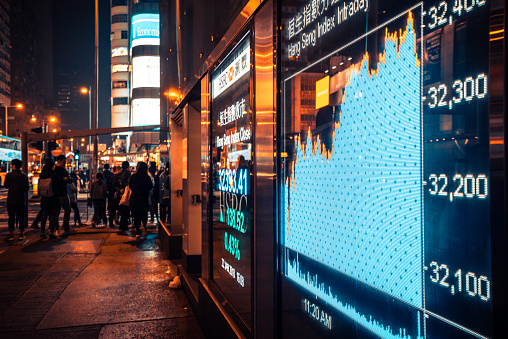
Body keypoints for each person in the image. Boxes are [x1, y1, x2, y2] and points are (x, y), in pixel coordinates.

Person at [4, 159, 29, 241]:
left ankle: (11, 234)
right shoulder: (24, 176)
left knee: (11, 217)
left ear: (14, 166)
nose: (11, 166)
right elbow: (26, 188)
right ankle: (21, 234)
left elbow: (6, 186)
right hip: (21, 199)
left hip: (11, 199)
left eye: (11, 165)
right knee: (21, 217)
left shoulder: (8, 175)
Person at [129, 161, 153, 238]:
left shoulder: (133, 176)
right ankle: (144, 226)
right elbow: (150, 186)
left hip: (135, 197)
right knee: (144, 213)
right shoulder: (147, 177)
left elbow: (130, 186)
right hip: (144, 198)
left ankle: (137, 230)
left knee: (136, 215)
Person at [39, 158, 60, 239]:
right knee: (52, 215)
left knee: (44, 215)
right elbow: (58, 186)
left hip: (44, 197)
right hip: (53, 197)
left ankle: (42, 232)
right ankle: (51, 232)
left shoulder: (42, 174)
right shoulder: (54, 175)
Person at [55, 154, 73, 235]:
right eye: (63, 162)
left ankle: (65, 226)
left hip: (64, 193)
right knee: (57, 212)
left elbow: (69, 180)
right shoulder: (56, 170)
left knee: (68, 210)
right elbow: (56, 180)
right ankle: (56, 228)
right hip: (58, 194)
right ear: (59, 161)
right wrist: (63, 179)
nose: (65, 164)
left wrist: (68, 179)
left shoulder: (64, 170)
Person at [115, 161, 131, 234]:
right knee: (126, 210)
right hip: (126, 194)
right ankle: (124, 224)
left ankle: (122, 224)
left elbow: (114, 185)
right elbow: (129, 184)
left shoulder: (117, 175)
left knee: (121, 210)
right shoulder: (128, 174)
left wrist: (119, 190)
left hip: (119, 194)